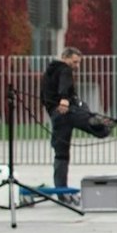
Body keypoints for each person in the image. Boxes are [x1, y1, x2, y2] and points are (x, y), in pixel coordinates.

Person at [40, 47, 80, 189]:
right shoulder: (64, 69)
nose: (76, 66)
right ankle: (104, 126)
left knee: (60, 152)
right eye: (74, 62)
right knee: (89, 121)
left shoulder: (49, 71)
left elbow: (43, 94)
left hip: (54, 113)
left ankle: (60, 188)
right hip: (63, 112)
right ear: (65, 57)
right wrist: (64, 98)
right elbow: (65, 84)